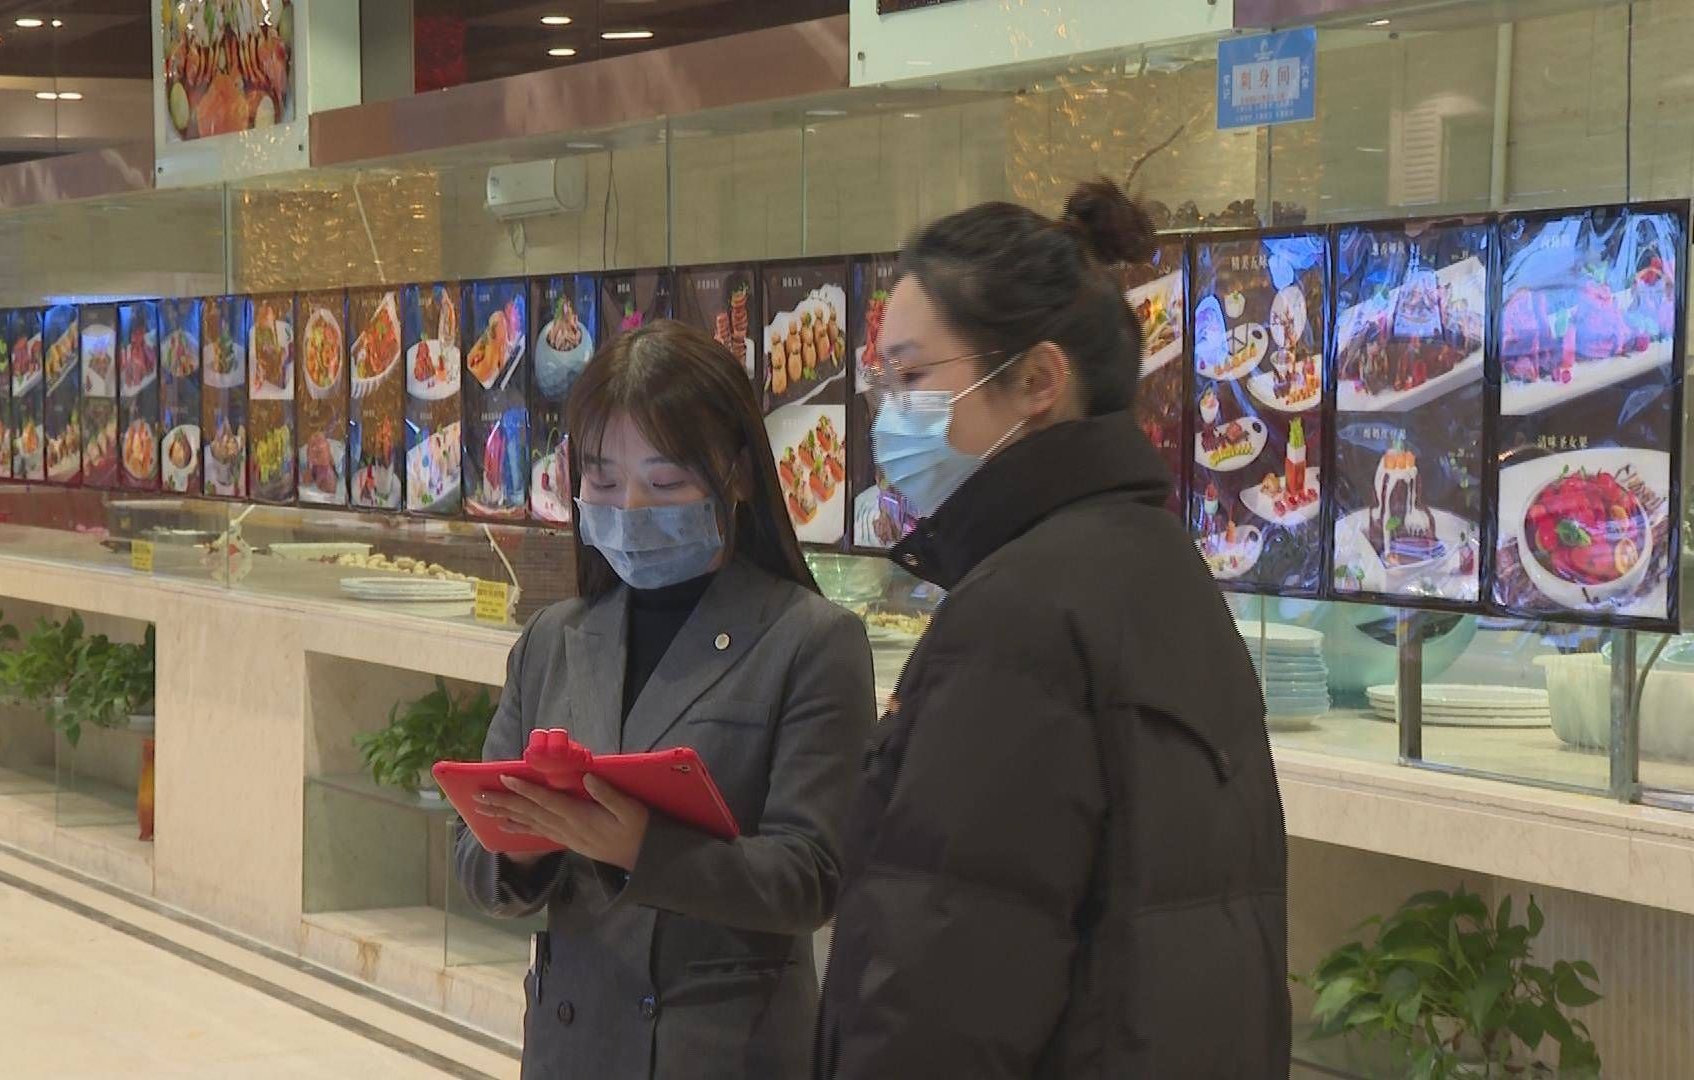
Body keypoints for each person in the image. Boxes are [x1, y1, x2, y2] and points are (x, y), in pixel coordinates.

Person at [816, 184, 1291, 1078]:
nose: (889, 413)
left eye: (914, 377)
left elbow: (944, 988)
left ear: (1037, 380)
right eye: (883, 381)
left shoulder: (1018, 615)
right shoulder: (1156, 564)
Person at [456, 320, 875, 1079]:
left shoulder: (811, 641)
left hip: (721, 1051)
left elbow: (812, 877)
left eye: (669, 480)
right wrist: (521, 840)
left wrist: (636, 846)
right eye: (604, 480)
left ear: (739, 473)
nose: (633, 507)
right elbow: (479, 865)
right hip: (572, 1044)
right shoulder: (554, 638)